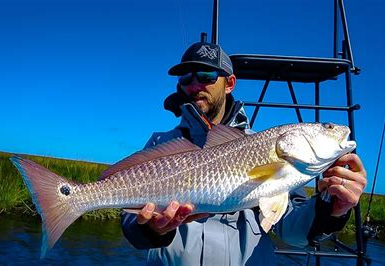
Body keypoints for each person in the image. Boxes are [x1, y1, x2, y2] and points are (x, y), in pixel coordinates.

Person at [119, 41, 367, 265]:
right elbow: (131, 225)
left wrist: (331, 209)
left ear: (229, 84)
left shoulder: (262, 147)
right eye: (185, 78)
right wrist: (153, 229)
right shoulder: (161, 143)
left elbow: (294, 235)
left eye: (206, 75)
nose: (194, 85)